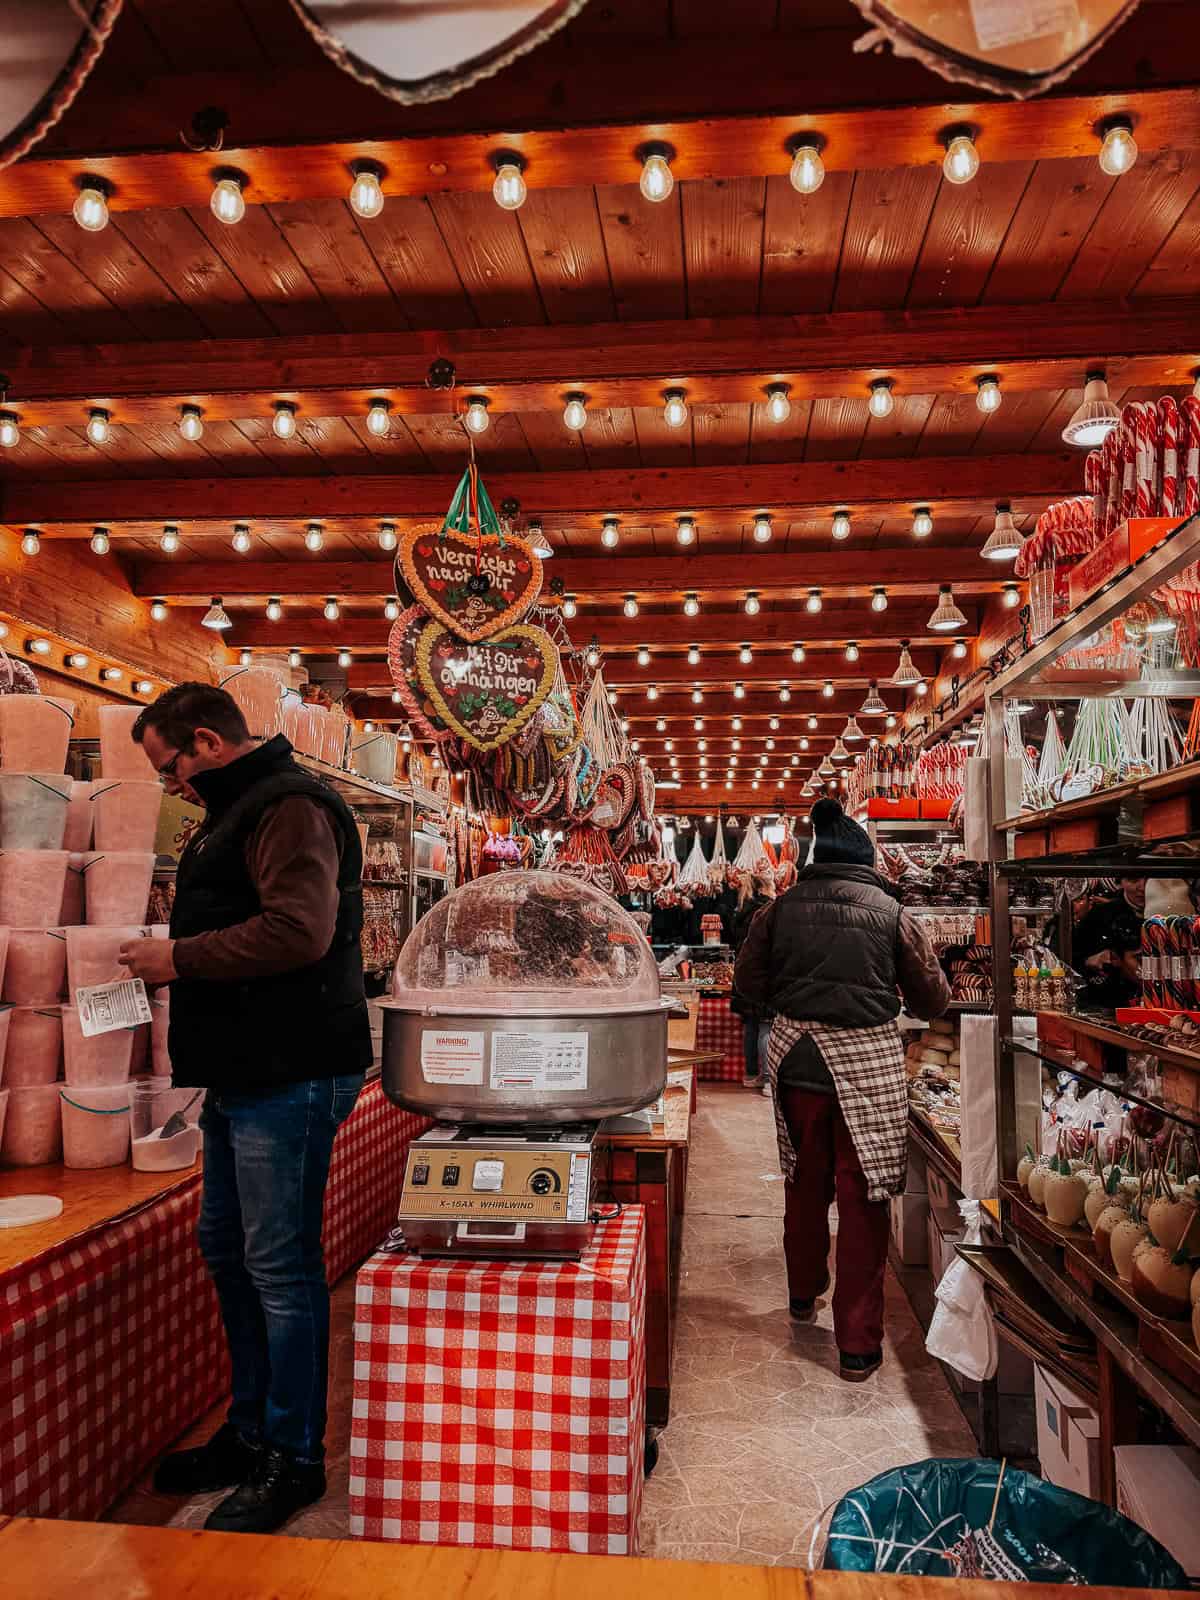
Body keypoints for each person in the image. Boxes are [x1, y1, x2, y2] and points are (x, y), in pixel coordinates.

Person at [118, 683, 371, 1534]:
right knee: (229, 1251)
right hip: (247, 1073)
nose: (171, 787)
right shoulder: (247, 808)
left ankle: (293, 1460)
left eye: (170, 769)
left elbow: (298, 931)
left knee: (280, 1269)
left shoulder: (290, 805)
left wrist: (175, 958)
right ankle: (251, 1430)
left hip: (290, 1071)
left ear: (205, 742)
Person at [733, 799, 949, 1383]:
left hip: (797, 1065)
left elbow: (746, 987)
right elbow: (933, 998)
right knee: (864, 1199)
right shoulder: (892, 911)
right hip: (869, 1066)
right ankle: (856, 1346)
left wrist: (789, 1002)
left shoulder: (779, 908)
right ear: (865, 860)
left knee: (804, 1184)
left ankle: (803, 1294)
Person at [730, 869, 776, 1089]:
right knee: (766, 1026)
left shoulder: (742, 910)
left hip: (744, 975)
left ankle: (750, 1074)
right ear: (764, 888)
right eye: (773, 887)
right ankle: (767, 1079)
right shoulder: (769, 910)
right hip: (765, 975)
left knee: (751, 1026)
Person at [1072, 876, 1146, 1011]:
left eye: (1149, 880)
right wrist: (1088, 960)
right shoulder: (1101, 915)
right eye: (1133, 880)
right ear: (1121, 882)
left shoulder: (1175, 912)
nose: (1142, 888)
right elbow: (1072, 960)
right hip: (1107, 1004)